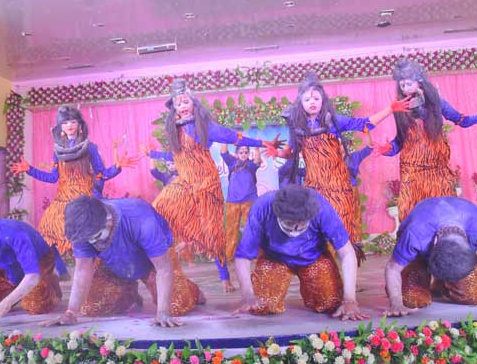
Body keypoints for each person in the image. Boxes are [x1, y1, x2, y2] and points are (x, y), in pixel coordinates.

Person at [268, 72, 409, 251]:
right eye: (307, 99)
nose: (312, 102)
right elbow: (291, 152)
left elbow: (364, 124)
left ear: (323, 100)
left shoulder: (334, 121)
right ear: (301, 103)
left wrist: (390, 109)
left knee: (342, 230)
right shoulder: (297, 126)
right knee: (317, 232)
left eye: (316, 98)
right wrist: (278, 153)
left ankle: (346, 263)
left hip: (339, 187)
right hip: (315, 188)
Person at [146, 79, 281, 266]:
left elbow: (233, 137)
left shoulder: (203, 127)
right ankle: (188, 240)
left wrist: (261, 143)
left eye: (186, 102)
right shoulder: (176, 132)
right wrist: (152, 154)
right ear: (174, 109)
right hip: (186, 183)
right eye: (178, 103)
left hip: (206, 184)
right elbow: (175, 156)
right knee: (159, 206)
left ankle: (228, 273)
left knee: (214, 235)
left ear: (194, 103)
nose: (182, 106)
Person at [376, 59, 477, 220]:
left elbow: (464, 121)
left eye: (408, 83)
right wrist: (388, 149)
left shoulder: (436, 102)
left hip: (437, 172)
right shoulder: (400, 108)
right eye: (402, 85)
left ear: (420, 81)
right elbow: (400, 141)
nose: (405, 88)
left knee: (443, 215)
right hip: (411, 174)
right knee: (412, 217)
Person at [53, 196, 203, 327]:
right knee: (92, 308)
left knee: (176, 306)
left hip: (153, 263)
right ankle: (128, 292)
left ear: (108, 221)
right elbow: (82, 269)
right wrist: (71, 312)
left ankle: (191, 290)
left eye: (96, 237)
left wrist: (163, 313)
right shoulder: (83, 228)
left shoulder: (142, 219)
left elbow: (163, 269)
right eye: (89, 240)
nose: (93, 243)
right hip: (114, 264)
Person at [10, 105, 134, 257]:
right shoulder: (57, 150)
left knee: (87, 236)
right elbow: (52, 178)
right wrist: (29, 169)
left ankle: (89, 265)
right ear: (61, 127)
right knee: (49, 231)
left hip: (83, 199)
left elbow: (101, 174)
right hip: (61, 201)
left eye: (73, 122)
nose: (69, 125)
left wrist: (117, 167)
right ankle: (60, 268)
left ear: (80, 125)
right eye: (65, 122)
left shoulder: (90, 148)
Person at [233, 185, 368, 320]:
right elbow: (243, 256)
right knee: (260, 306)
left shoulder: (321, 208)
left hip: (314, 258)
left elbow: (347, 253)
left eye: (300, 226)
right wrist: (247, 295)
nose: (294, 232)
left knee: (331, 304)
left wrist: (350, 300)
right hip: (274, 258)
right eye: (288, 225)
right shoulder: (262, 207)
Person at [383, 196, 477, 316]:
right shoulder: (415, 234)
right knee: (412, 299)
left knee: (476, 294)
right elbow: (392, 268)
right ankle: (426, 278)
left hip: (457, 255)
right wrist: (396, 303)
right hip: (418, 254)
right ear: (434, 242)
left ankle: (440, 286)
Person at [218, 144, 262, 292]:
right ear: (236, 153)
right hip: (233, 202)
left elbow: (257, 160)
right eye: (241, 152)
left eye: (246, 152)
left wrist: (257, 147)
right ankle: (229, 256)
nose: (243, 154)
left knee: (252, 230)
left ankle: (255, 255)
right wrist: (224, 139)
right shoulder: (232, 163)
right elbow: (223, 151)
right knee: (230, 232)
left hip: (249, 201)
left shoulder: (251, 165)